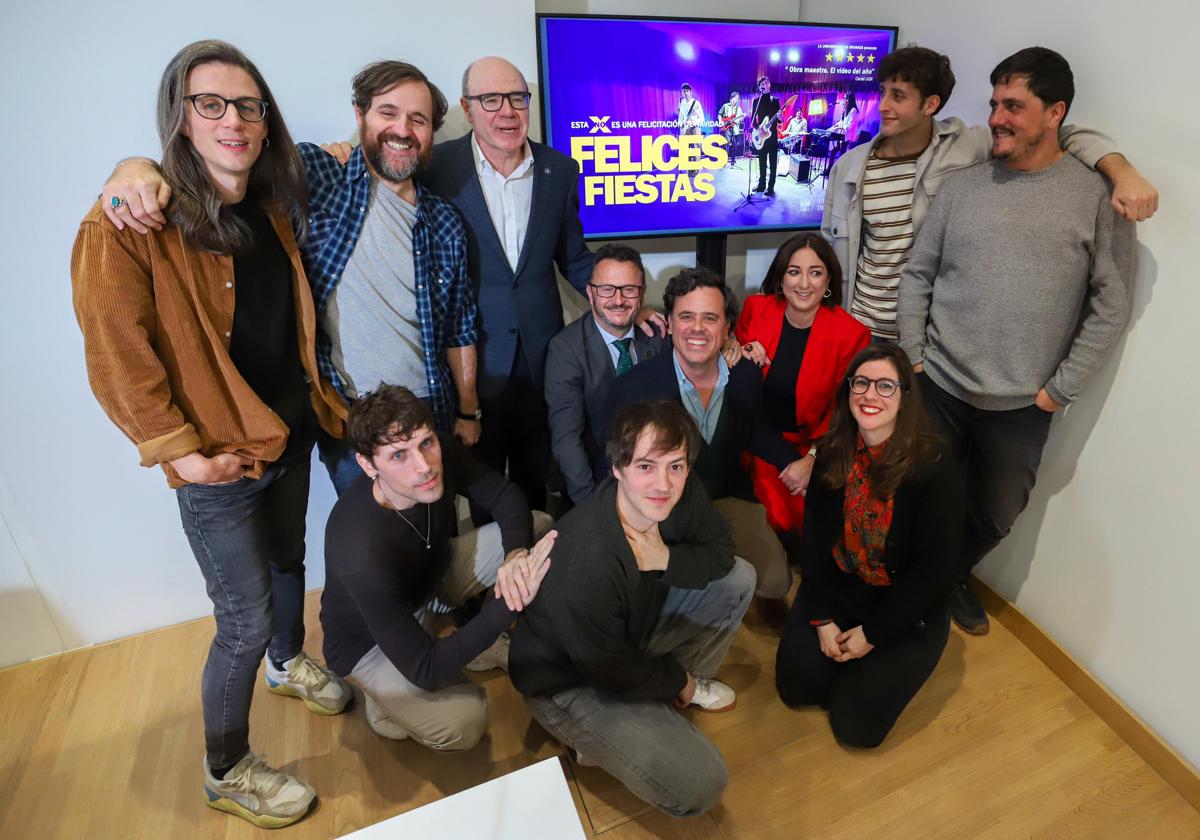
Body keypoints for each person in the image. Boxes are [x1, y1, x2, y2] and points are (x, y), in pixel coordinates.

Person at [72, 40, 349, 828]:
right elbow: (116, 355)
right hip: (220, 464)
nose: (233, 120)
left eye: (248, 106)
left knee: (293, 562)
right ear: (181, 120)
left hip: (286, 435)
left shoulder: (270, 207)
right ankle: (226, 767)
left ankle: (290, 664)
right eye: (211, 104)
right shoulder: (130, 222)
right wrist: (182, 456)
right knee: (243, 621)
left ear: (267, 124)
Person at [97, 61, 482, 496]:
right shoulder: (315, 174)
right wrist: (134, 167)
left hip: (428, 411)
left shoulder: (446, 222)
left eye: (419, 119)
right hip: (350, 417)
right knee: (373, 546)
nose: (403, 129)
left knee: (439, 531)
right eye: (387, 113)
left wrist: (468, 412)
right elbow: (220, 161)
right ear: (360, 116)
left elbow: (459, 327)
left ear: (432, 130)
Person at [897, 47, 1136, 636]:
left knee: (999, 511)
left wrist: (1061, 390)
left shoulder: (1094, 199)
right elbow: (917, 272)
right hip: (941, 383)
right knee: (921, 491)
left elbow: (1112, 303)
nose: (996, 118)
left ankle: (947, 576)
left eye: (1013, 106)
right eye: (994, 103)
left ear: (1055, 114)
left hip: (1025, 403)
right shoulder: (963, 188)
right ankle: (913, 584)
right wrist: (915, 356)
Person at [510, 400, 755, 817]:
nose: (663, 483)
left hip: (632, 625)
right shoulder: (586, 560)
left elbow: (721, 552)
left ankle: (652, 707)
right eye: (646, 466)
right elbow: (609, 669)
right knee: (703, 782)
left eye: (675, 465)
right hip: (568, 678)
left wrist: (664, 559)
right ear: (618, 469)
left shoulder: (683, 491)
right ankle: (613, 727)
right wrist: (679, 680)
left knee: (738, 579)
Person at [823, 45, 1158, 341]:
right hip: (857, 328)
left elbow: (1057, 135)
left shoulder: (968, 145)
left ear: (931, 104)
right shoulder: (851, 168)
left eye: (898, 96)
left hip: (922, 336)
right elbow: (830, 251)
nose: (882, 106)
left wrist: (1121, 170)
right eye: (882, 92)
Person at [321, 385, 555, 751]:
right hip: (367, 644)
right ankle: (384, 703)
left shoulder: (436, 453)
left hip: (428, 585)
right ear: (368, 465)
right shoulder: (359, 553)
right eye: (398, 455)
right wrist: (508, 604)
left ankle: (465, 642)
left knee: (536, 530)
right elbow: (425, 668)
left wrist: (515, 557)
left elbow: (504, 495)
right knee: (466, 721)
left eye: (426, 443)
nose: (423, 465)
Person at [420, 57, 601, 517]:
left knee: (534, 477)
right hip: (471, 361)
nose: (507, 112)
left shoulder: (559, 169)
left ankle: (536, 577)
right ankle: (489, 583)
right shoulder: (437, 168)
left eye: (518, 99)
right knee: (480, 486)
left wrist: (623, 298)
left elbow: (574, 257)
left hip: (542, 358)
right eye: (491, 99)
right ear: (467, 107)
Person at [775, 344, 964, 748]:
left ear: (905, 397)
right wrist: (822, 619)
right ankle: (851, 667)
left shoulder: (935, 464)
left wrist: (874, 634)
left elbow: (934, 571)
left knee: (855, 728)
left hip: (903, 605)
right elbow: (815, 542)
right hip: (844, 588)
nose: (869, 395)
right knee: (798, 689)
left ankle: (877, 668)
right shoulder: (832, 451)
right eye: (860, 383)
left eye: (885, 386)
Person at [610, 268, 805, 628]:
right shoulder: (636, 387)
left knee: (777, 580)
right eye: (686, 316)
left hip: (725, 497)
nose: (697, 328)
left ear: (727, 327)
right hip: (662, 509)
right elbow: (614, 467)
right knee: (658, 595)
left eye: (709, 318)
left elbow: (755, 430)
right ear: (670, 322)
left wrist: (797, 461)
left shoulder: (745, 375)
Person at [735, 234, 870, 558]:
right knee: (775, 518)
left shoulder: (851, 334)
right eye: (794, 272)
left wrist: (812, 458)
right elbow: (731, 366)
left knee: (820, 520)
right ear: (780, 279)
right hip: (754, 439)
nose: (804, 283)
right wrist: (737, 349)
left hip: (814, 445)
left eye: (815, 272)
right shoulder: (756, 309)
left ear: (828, 281)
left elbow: (844, 408)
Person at [545, 244, 668, 506]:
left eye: (629, 290)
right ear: (590, 293)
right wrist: (593, 508)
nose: (618, 300)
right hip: (597, 483)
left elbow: (703, 340)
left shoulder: (660, 335)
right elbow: (568, 442)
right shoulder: (566, 349)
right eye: (606, 290)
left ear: (642, 294)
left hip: (659, 480)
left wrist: (733, 343)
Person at [751, 76, 781, 197]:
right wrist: (758, 129)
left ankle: (770, 187)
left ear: (770, 85)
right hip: (761, 136)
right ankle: (761, 185)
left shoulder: (775, 100)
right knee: (761, 162)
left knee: (772, 163)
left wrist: (780, 117)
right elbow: (753, 119)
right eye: (762, 83)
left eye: (766, 82)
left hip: (772, 136)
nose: (764, 84)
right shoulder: (756, 101)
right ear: (759, 87)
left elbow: (779, 121)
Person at [716, 91, 745, 161]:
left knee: (735, 145)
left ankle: (733, 159)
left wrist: (742, 117)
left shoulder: (739, 109)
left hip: (735, 128)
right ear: (732, 98)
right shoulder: (725, 106)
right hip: (727, 128)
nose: (737, 100)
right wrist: (720, 120)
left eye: (738, 99)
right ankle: (724, 159)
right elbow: (719, 114)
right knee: (726, 144)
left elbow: (741, 119)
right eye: (736, 98)